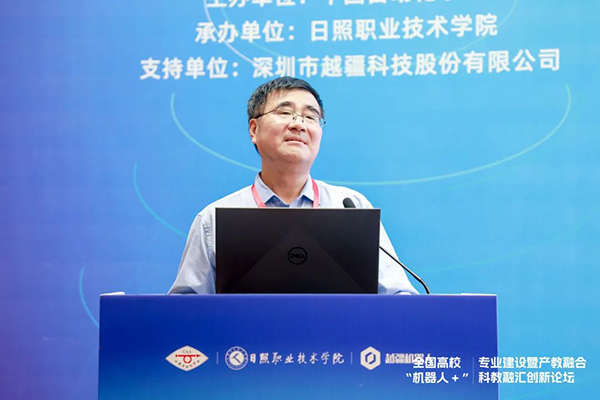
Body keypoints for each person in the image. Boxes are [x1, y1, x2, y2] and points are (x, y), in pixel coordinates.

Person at [168, 77, 417, 294]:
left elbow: (399, 297)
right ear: (254, 129)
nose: (299, 124)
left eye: (311, 116)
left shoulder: (351, 207)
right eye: (285, 113)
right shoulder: (213, 219)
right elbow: (184, 311)